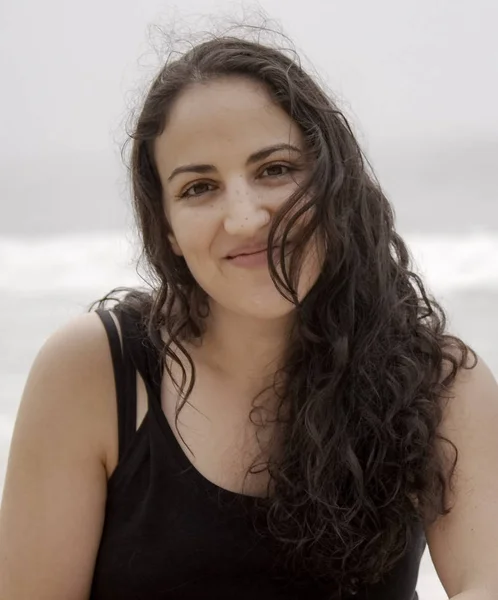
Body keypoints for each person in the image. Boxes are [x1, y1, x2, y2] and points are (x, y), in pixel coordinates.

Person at [1, 32, 498, 600]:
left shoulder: (440, 384)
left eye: (275, 169)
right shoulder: (94, 371)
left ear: (331, 179)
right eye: (200, 187)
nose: (243, 218)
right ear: (167, 227)